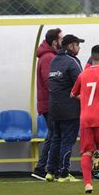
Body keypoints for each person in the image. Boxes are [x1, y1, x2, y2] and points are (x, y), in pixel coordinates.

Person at [71, 45, 99, 193]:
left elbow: (72, 94)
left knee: (86, 152)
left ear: (91, 57)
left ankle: (88, 184)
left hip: (86, 118)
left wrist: (84, 97)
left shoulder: (83, 74)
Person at [45, 34, 84, 182]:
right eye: (77, 45)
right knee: (67, 140)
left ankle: (50, 171)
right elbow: (80, 84)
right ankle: (64, 174)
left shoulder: (54, 59)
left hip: (54, 108)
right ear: (71, 46)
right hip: (70, 109)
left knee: (56, 139)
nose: (79, 48)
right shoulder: (72, 61)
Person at [31, 28, 63, 181]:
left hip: (48, 103)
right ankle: (42, 167)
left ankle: (43, 168)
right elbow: (50, 81)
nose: (63, 42)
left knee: (52, 135)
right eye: (61, 39)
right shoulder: (48, 58)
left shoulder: (47, 56)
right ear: (55, 41)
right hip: (50, 103)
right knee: (53, 135)